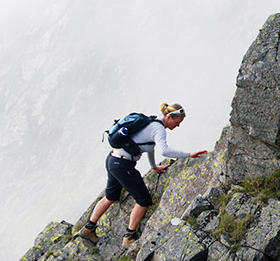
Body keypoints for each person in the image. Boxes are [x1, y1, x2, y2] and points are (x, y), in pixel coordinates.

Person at [78, 102, 208, 248]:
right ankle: (128, 237)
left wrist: (154, 167)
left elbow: (149, 147)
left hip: (112, 160)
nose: (177, 126)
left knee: (111, 196)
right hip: (122, 165)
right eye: (177, 122)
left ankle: (88, 229)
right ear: (170, 117)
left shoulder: (151, 122)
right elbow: (163, 151)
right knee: (144, 200)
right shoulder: (159, 129)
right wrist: (188, 154)